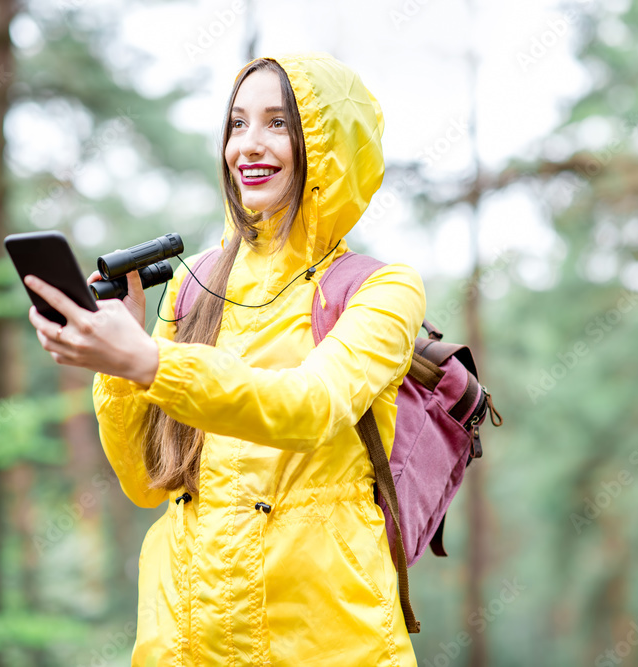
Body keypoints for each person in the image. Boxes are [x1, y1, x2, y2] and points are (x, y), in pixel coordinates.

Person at [24, 53, 425, 666]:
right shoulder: (197, 286)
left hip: (331, 644)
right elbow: (143, 480)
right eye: (237, 124)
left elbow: (308, 409)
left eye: (277, 123)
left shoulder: (384, 290)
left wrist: (149, 362)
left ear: (329, 144)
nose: (248, 145)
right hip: (183, 643)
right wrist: (120, 364)